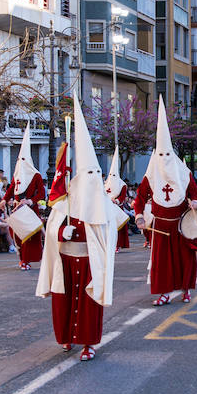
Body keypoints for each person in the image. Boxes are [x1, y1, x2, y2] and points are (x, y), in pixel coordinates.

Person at [37, 102, 127, 360]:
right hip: (65, 261)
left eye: (95, 174)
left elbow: (109, 234)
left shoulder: (104, 205)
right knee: (64, 300)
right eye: (87, 174)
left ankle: (88, 343)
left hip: (90, 262)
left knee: (89, 303)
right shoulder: (64, 203)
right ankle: (66, 337)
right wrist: (59, 233)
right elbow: (51, 232)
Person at [133, 97, 197, 306]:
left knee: (185, 259)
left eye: (167, 154)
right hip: (160, 226)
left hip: (181, 224)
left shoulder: (184, 173)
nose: (163, 158)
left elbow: (195, 193)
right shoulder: (151, 174)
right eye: (160, 155)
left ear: (172, 154)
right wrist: (139, 217)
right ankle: (164, 293)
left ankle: (186, 290)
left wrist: (195, 202)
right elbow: (140, 197)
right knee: (162, 263)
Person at [7, 130, 47, 270]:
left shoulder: (36, 175)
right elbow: (11, 189)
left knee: (29, 235)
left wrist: (30, 201)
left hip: (30, 209)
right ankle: (21, 259)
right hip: (17, 209)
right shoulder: (17, 175)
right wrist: (5, 200)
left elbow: (41, 193)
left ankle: (26, 259)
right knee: (17, 235)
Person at [104, 146, 131, 251]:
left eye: (114, 174)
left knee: (117, 228)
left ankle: (117, 245)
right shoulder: (106, 183)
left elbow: (122, 196)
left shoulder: (122, 184)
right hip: (107, 208)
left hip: (117, 208)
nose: (112, 176)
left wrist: (116, 200)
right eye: (111, 174)